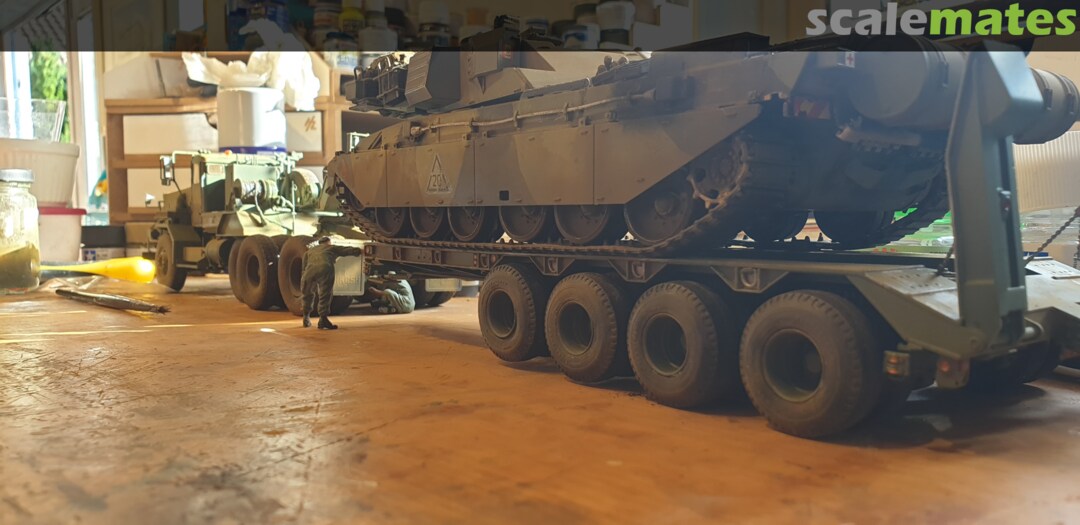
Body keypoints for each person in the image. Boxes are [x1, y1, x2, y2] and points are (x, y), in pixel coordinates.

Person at [301, 236, 362, 330]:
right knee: (325, 294)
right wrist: (358, 251)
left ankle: (306, 317)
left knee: (307, 294)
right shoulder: (330, 247)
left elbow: (304, 266)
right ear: (328, 242)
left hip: (309, 272)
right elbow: (345, 250)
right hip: (324, 268)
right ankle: (323, 320)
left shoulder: (309, 251)